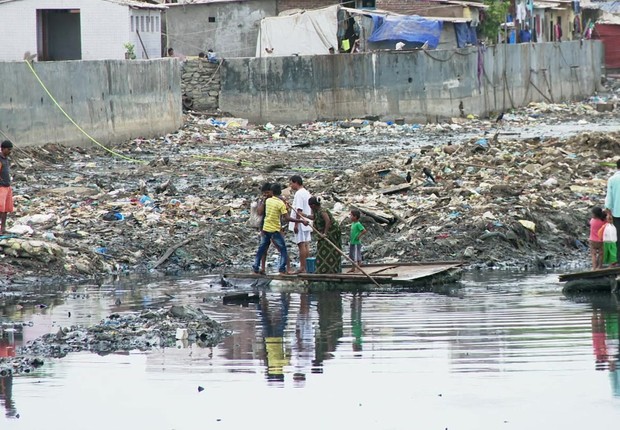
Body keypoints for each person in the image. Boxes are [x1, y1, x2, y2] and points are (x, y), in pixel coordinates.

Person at [252, 183, 307, 275]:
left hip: (274, 228)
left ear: (271, 192)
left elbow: (284, 213)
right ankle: (265, 268)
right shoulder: (267, 200)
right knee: (273, 249)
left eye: (267, 192)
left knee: (277, 249)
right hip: (267, 227)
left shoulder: (275, 201)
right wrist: (300, 221)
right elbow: (260, 212)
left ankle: (286, 269)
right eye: (264, 193)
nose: (265, 194)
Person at [303, 197, 342, 274]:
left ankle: (332, 270)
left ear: (313, 205)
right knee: (322, 249)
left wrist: (325, 233)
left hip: (331, 233)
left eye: (310, 205)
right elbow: (314, 217)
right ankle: (324, 269)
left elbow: (328, 221)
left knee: (331, 251)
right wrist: (304, 215)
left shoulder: (322, 211)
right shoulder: (316, 211)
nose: (310, 207)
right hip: (323, 233)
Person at [288, 175, 312, 274]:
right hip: (307, 221)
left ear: (296, 182)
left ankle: (302, 267)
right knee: (306, 244)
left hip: (301, 222)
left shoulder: (298, 194)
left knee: (301, 244)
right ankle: (305, 267)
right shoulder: (307, 193)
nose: (290, 185)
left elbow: (299, 210)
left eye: (291, 183)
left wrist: (296, 224)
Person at [605, 159, 620, 266]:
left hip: (617, 212)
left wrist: (608, 212)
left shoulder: (612, 179)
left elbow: (609, 198)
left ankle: (618, 260)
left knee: (618, 237)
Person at [0, 141, 14, 234]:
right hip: (1, 187)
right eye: (8, 149)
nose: (10, 152)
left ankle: (3, 229)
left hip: (7, 186)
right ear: (3, 149)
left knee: (6, 209)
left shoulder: (6, 159)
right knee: (0, 208)